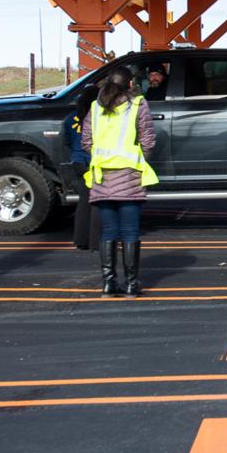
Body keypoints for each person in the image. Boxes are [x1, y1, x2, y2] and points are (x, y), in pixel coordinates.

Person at [82, 66, 158, 297]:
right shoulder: (137, 105)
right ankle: (132, 284)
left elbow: (86, 141)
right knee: (130, 231)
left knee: (109, 231)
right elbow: (148, 139)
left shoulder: (95, 108)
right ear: (130, 84)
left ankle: (108, 283)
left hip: (102, 176)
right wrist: (138, 157)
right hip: (129, 176)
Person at [61, 85, 98, 250]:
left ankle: (81, 239)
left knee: (84, 201)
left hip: (78, 162)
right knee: (98, 202)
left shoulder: (70, 118)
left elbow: (66, 141)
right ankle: (96, 241)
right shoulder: (98, 117)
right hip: (94, 161)